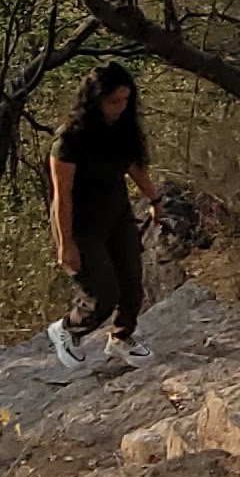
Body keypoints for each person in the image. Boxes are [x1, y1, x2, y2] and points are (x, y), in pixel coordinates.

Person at [47, 63, 163, 373]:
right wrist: (66, 244)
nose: (120, 108)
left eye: (126, 101)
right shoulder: (70, 140)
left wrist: (155, 200)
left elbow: (134, 167)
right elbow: (63, 195)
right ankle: (67, 330)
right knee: (103, 294)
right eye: (113, 101)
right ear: (95, 99)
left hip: (117, 216)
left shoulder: (122, 131)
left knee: (132, 285)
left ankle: (121, 338)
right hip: (81, 225)